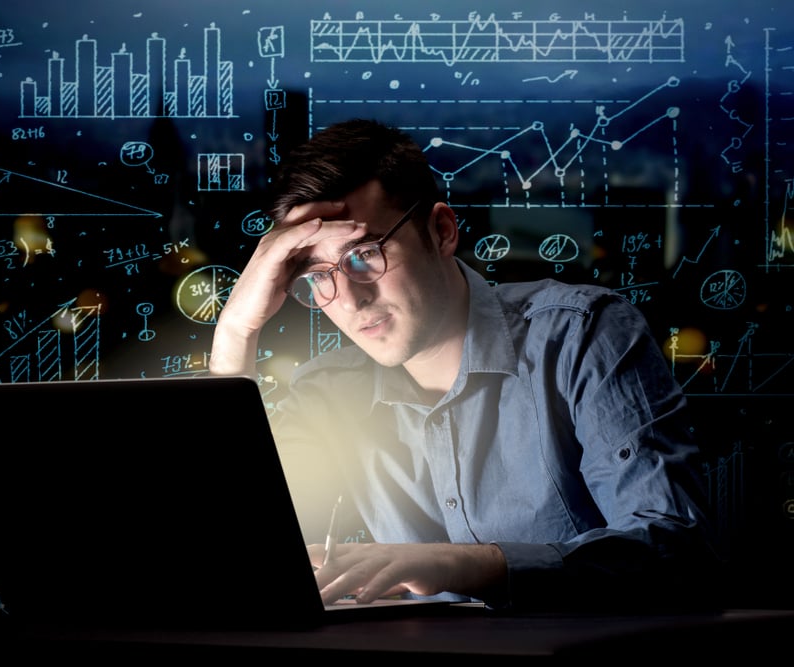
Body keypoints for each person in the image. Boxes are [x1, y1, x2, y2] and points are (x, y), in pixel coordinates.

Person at [209, 118, 717, 611]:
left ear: (443, 230)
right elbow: (236, 557)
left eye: (363, 255)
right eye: (318, 277)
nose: (350, 300)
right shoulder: (326, 391)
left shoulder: (582, 335)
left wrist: (458, 565)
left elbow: (676, 551)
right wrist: (236, 331)